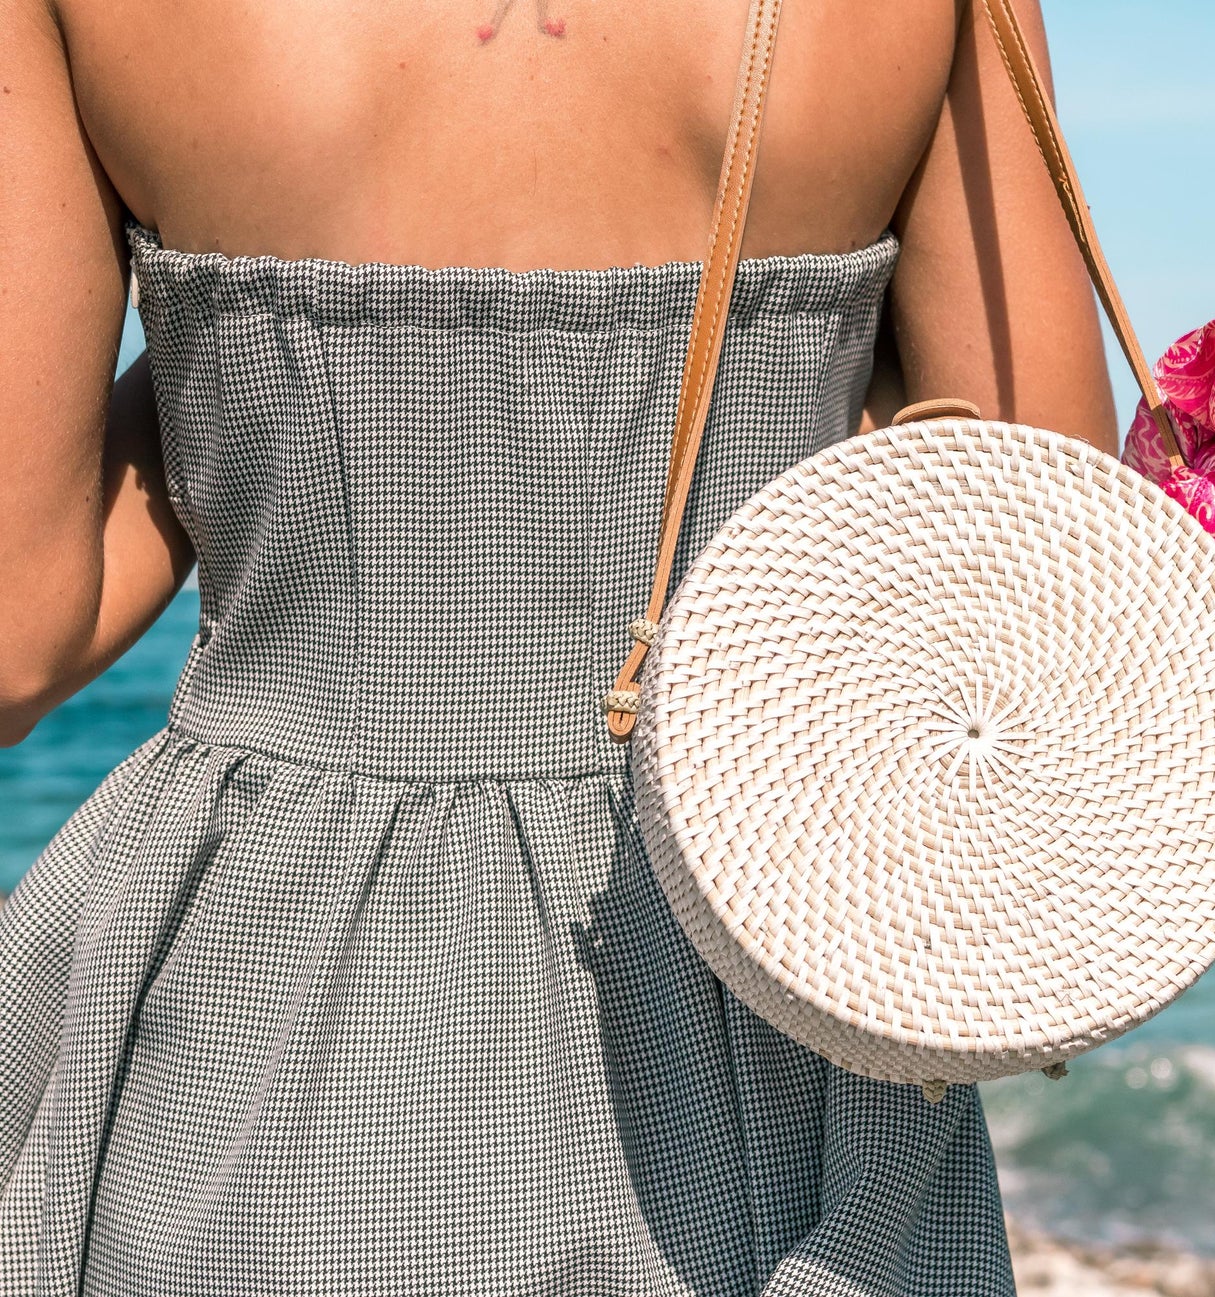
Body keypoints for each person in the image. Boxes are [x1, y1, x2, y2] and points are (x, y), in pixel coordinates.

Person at [0, 0, 1117, 1291]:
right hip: (771, 944)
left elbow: (22, 637)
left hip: (269, 989)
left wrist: (233, 348)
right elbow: (1038, 553)